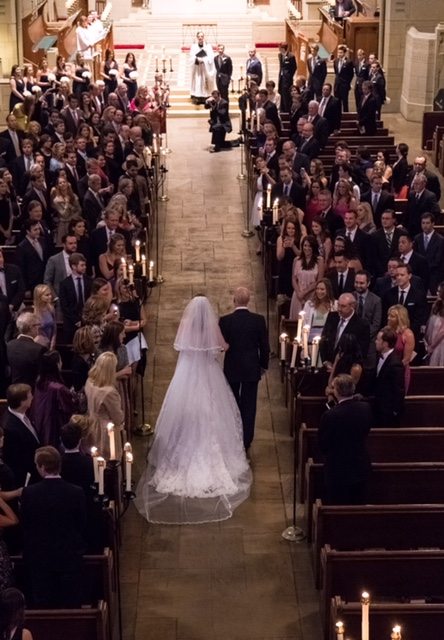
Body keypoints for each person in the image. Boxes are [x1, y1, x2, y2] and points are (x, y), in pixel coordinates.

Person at [135, 295, 252, 525]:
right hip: (209, 375)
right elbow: (223, 347)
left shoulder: (186, 325)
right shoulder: (211, 326)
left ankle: (178, 454)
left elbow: (179, 346)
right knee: (212, 414)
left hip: (187, 375)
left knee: (183, 413)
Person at [21, 446, 86, 608]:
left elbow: (26, 525)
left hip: (40, 560)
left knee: (43, 605)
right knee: (70, 603)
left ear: (42, 467)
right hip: (69, 557)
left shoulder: (29, 493)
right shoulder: (76, 492)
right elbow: (81, 523)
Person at [219, 288, 270, 453]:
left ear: (234, 300)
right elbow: (265, 346)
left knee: (232, 402)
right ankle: (246, 440)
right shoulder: (258, 320)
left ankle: (233, 435)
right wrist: (263, 365)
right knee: (249, 405)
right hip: (251, 368)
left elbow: (222, 345)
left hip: (232, 367)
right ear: (248, 301)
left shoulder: (225, 321)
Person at [318, 374, 372, 505]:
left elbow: (322, 444)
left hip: (337, 471)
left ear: (336, 391)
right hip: (360, 467)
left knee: (337, 506)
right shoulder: (365, 408)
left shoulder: (330, 415)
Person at [31, 351, 76, 447]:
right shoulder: (58, 388)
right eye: (60, 360)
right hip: (53, 427)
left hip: (39, 423)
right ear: (57, 364)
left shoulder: (39, 383)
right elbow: (69, 408)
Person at [84, 351, 124, 456]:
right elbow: (117, 417)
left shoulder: (90, 381)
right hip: (106, 432)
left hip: (91, 424)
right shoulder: (109, 392)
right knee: (107, 462)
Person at [2, 384, 40, 486]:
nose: (32, 397)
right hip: (25, 479)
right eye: (30, 395)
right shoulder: (10, 428)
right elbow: (15, 460)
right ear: (22, 402)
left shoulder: (21, 415)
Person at [320, 293, 370, 367]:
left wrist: (338, 366)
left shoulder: (362, 325)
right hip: (327, 366)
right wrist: (325, 361)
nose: (339, 309)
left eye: (343, 306)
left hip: (346, 370)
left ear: (352, 306)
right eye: (338, 305)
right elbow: (323, 340)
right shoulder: (332, 317)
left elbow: (361, 352)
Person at [373, 327, 405, 427]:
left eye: (378, 340)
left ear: (385, 344)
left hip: (388, 412)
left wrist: (394, 411)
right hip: (378, 408)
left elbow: (398, 390)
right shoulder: (379, 356)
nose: (375, 342)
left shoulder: (395, 364)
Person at [290, 235, 325, 319]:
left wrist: (305, 292)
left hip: (312, 295)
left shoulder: (320, 260)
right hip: (298, 295)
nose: (307, 248)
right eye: (305, 245)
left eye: (309, 246)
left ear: (314, 247)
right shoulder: (296, 260)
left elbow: (319, 280)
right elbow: (293, 279)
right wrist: (299, 293)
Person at [386, 304, 415, 393]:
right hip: (385, 369)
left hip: (399, 372)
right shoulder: (386, 331)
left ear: (400, 318)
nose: (388, 318)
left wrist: (394, 370)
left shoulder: (408, 334)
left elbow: (406, 359)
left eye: (392, 316)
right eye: (388, 315)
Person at [189, 31, 215, 104]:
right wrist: (197, 59)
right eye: (199, 36)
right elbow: (191, 57)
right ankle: (197, 97)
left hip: (205, 68)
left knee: (204, 82)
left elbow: (211, 57)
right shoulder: (193, 46)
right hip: (197, 68)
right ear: (197, 37)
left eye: (202, 36)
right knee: (197, 81)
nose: (200, 38)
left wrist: (203, 60)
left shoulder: (208, 46)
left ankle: (205, 97)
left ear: (203, 37)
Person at [425, 284, 444, 366]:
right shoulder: (436, 305)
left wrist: (432, 346)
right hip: (432, 341)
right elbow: (429, 324)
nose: (437, 293)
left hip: (441, 343)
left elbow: (443, 331)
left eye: (439, 291)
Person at [278, 43, 297, 113]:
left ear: (283, 48)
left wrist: (289, 75)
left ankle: (287, 110)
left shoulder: (291, 56)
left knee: (286, 94)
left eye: (280, 48)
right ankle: (282, 109)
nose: (279, 49)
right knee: (281, 92)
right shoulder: (280, 55)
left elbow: (294, 67)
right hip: (281, 78)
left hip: (287, 79)